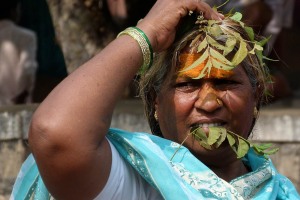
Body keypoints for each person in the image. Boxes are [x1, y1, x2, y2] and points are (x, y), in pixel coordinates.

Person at [11, 0, 300, 199]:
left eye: (226, 83)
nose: (209, 103)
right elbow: (55, 134)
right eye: (187, 85)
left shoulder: (279, 192)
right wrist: (144, 34)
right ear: (155, 103)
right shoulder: (135, 183)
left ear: (257, 95)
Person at [0, 0, 37, 106]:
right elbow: (27, 67)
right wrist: (23, 93)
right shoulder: (26, 36)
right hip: (17, 103)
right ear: (13, 11)